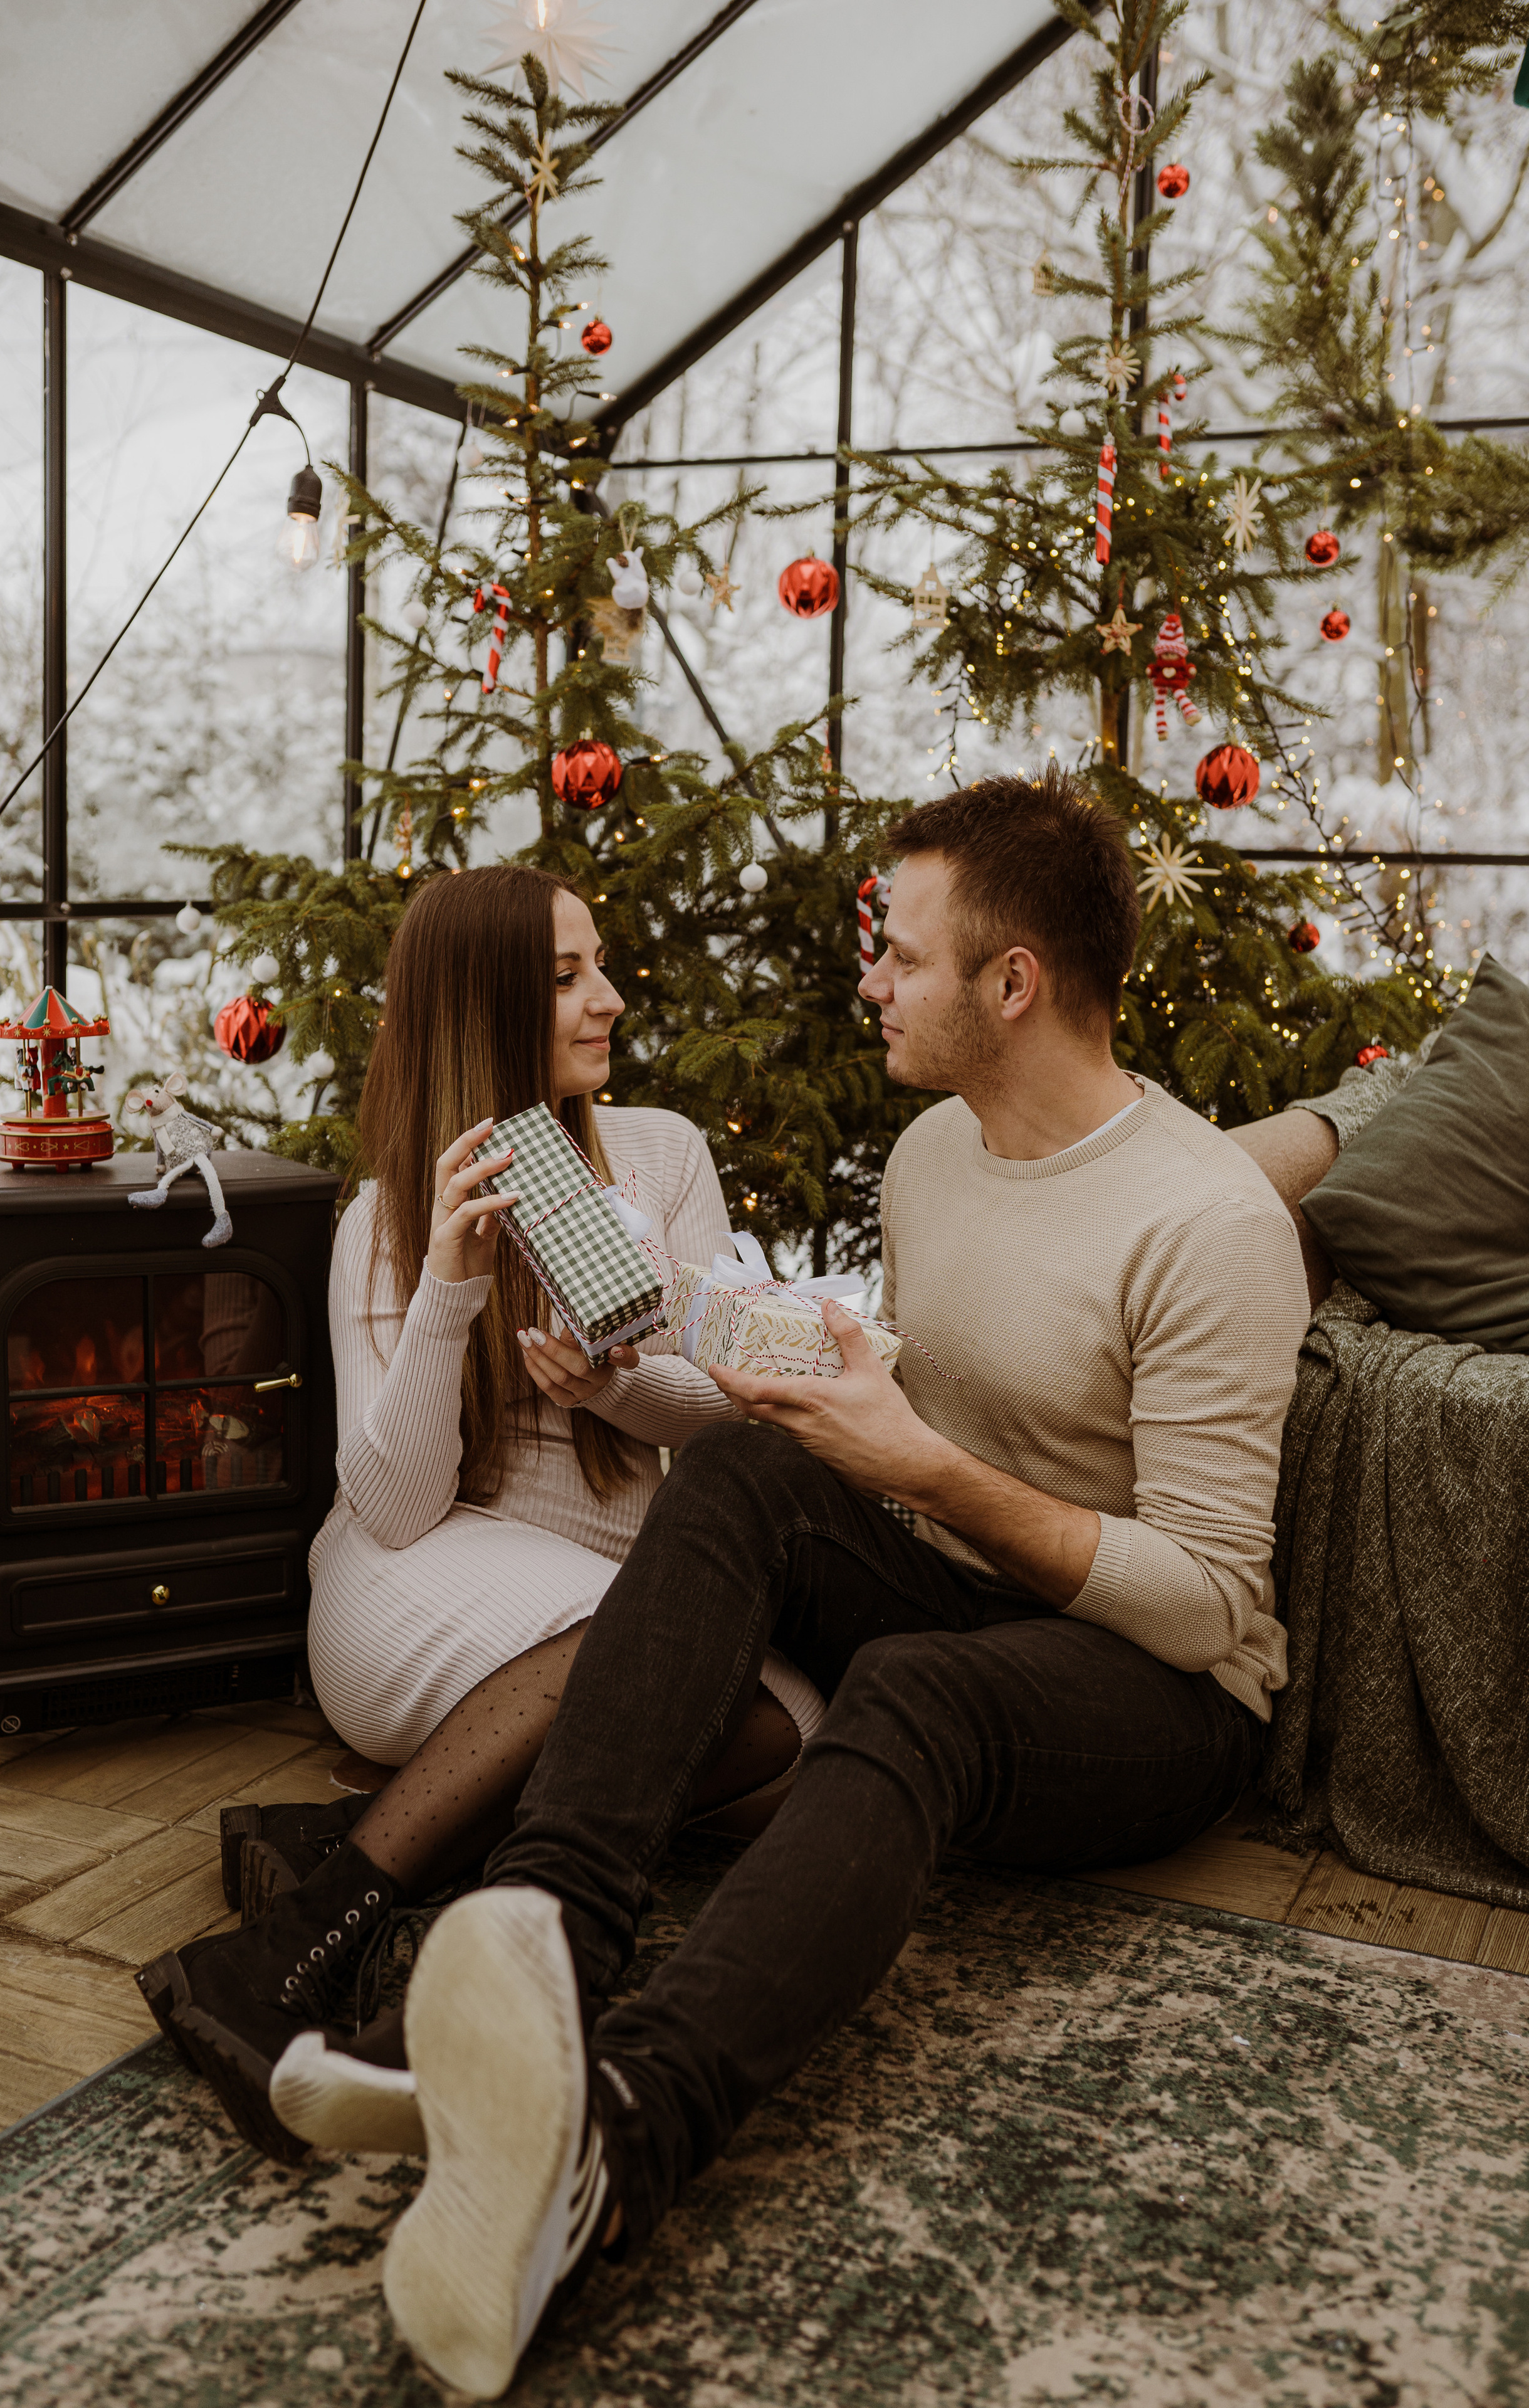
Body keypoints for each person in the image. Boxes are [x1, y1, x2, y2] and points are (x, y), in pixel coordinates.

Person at [365, 767, 1315, 2399]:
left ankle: (616, 2138)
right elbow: (934, 1408)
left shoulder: (1208, 1225)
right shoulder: (938, 1151)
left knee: (914, 1695)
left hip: (1154, 1694)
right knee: (745, 1470)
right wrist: (833, 1382)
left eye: (900, 951)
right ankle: (540, 1946)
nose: (869, 977)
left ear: (1010, 985)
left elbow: (1208, 1606)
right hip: (970, 1578)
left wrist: (922, 1464)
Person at [137, 864, 822, 2158]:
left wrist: (620, 1391)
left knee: (793, 1741)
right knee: (687, 1699)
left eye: (598, 965)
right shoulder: (387, 1216)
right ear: (482, 1004)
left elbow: (732, 1417)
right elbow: (390, 1507)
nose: (607, 999)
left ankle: (357, 1833)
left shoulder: (664, 1156)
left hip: (609, 1584)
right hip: (415, 1583)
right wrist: (447, 1285)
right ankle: (294, 1949)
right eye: (565, 978)